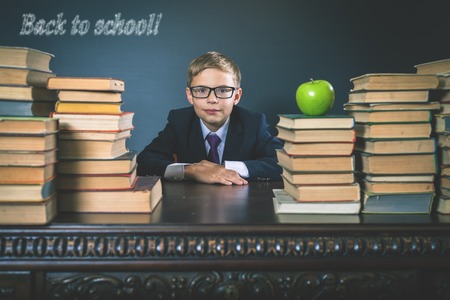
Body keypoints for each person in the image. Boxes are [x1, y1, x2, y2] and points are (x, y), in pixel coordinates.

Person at [137, 51, 283, 185]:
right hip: (190, 206)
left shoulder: (253, 123)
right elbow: (145, 162)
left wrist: (224, 169)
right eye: (201, 90)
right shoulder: (180, 121)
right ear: (190, 95)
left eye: (223, 90)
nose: (212, 99)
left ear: (236, 96)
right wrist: (191, 170)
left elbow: (282, 163)